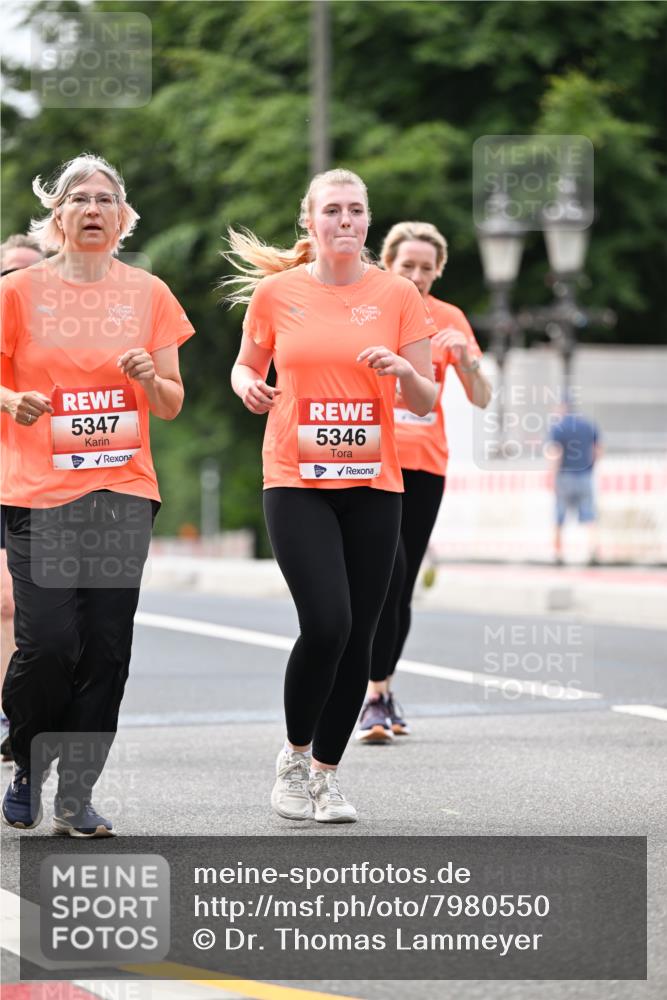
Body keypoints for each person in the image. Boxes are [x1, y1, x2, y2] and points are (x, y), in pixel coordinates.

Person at [225, 169, 435, 822]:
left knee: (361, 638)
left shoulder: (398, 295)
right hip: (295, 479)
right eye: (333, 211)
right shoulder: (276, 293)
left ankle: (326, 775)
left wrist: (403, 372)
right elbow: (244, 363)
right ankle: (292, 754)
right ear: (309, 221)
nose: (345, 221)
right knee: (327, 623)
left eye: (356, 211)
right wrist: (244, 387)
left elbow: (425, 398)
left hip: (374, 485)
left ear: (368, 223)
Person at [0, 154, 194, 835]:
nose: (91, 207)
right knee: (50, 643)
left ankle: (76, 794)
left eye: (104, 199)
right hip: (39, 490)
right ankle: (26, 759)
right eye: (77, 198)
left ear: (122, 218)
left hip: (121, 488)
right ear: (56, 217)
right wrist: (11, 397)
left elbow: (170, 404)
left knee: (106, 647)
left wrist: (147, 378)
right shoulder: (18, 292)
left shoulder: (149, 294)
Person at [356, 221, 492, 743]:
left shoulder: (450, 318)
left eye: (425, 268)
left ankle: (379, 692)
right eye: (406, 266)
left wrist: (467, 359)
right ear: (386, 264)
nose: (416, 276)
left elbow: (480, 396)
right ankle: (371, 692)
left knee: (402, 587)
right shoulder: (366, 307)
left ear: (438, 272)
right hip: (369, 461)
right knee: (383, 580)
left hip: (426, 466)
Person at [1, 235, 45, 762]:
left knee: (13, 604)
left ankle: (13, 708)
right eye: (10, 273)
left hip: (34, 482)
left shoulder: (55, 339)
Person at [545, 396, 602, 565]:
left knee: (559, 517)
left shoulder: (558, 428)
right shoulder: (588, 425)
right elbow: (598, 450)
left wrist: (552, 477)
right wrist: (590, 467)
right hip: (584, 476)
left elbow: (556, 454)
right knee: (589, 516)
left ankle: (558, 554)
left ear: (562, 407)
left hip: (564, 477)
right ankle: (593, 552)